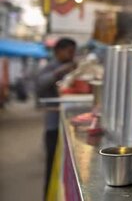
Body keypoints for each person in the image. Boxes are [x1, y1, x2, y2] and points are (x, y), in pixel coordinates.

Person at [36, 38, 76, 195]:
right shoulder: (50, 67)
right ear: (58, 51)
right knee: (52, 166)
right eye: (69, 51)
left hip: (68, 123)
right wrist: (60, 72)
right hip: (53, 126)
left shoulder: (72, 67)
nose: (72, 55)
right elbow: (39, 86)